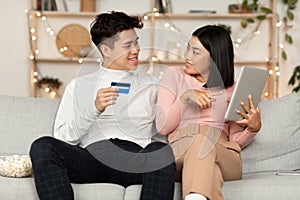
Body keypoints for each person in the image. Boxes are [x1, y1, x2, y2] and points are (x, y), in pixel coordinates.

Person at [30, 11, 175, 200]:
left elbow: (166, 128)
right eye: (127, 45)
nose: (136, 50)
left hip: (134, 160)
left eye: (136, 42)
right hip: (92, 159)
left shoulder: (153, 85)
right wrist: (93, 109)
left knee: (160, 151)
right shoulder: (79, 86)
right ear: (106, 50)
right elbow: (63, 137)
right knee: (43, 146)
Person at [155, 25, 262, 200]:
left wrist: (252, 129)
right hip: (180, 151)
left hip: (224, 154)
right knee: (206, 156)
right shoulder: (174, 75)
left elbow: (234, 139)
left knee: (205, 151)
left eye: (195, 52)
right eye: (188, 48)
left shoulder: (234, 89)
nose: (187, 56)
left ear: (214, 58)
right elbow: (163, 127)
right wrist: (185, 98)